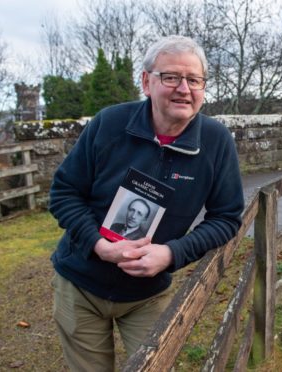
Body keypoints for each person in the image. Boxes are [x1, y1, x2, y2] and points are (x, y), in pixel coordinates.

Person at [48, 35, 244, 371]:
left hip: (148, 294)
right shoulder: (109, 124)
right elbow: (64, 192)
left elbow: (226, 218)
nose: (184, 88)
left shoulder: (216, 142)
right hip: (80, 284)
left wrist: (171, 254)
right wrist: (98, 245)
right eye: (171, 77)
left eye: (194, 80)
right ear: (146, 81)